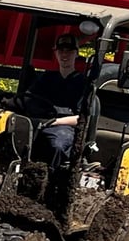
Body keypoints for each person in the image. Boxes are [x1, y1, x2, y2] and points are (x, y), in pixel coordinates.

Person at [26, 33, 87, 171]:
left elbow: (82, 118)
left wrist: (55, 122)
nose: (64, 55)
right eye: (61, 51)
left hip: (64, 127)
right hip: (40, 122)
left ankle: (50, 180)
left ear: (76, 53)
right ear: (56, 53)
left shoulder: (82, 83)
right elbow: (29, 99)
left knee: (57, 145)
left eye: (69, 51)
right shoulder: (46, 78)